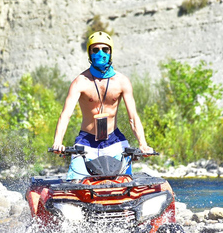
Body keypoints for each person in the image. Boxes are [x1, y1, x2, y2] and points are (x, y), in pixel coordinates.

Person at [52, 31, 154, 180]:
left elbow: (133, 117)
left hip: (115, 141)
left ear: (110, 52)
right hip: (86, 142)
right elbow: (65, 115)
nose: (100, 53)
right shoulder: (80, 82)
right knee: (74, 181)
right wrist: (57, 142)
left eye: (105, 49)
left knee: (125, 183)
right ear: (89, 53)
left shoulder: (122, 81)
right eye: (96, 50)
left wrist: (143, 144)